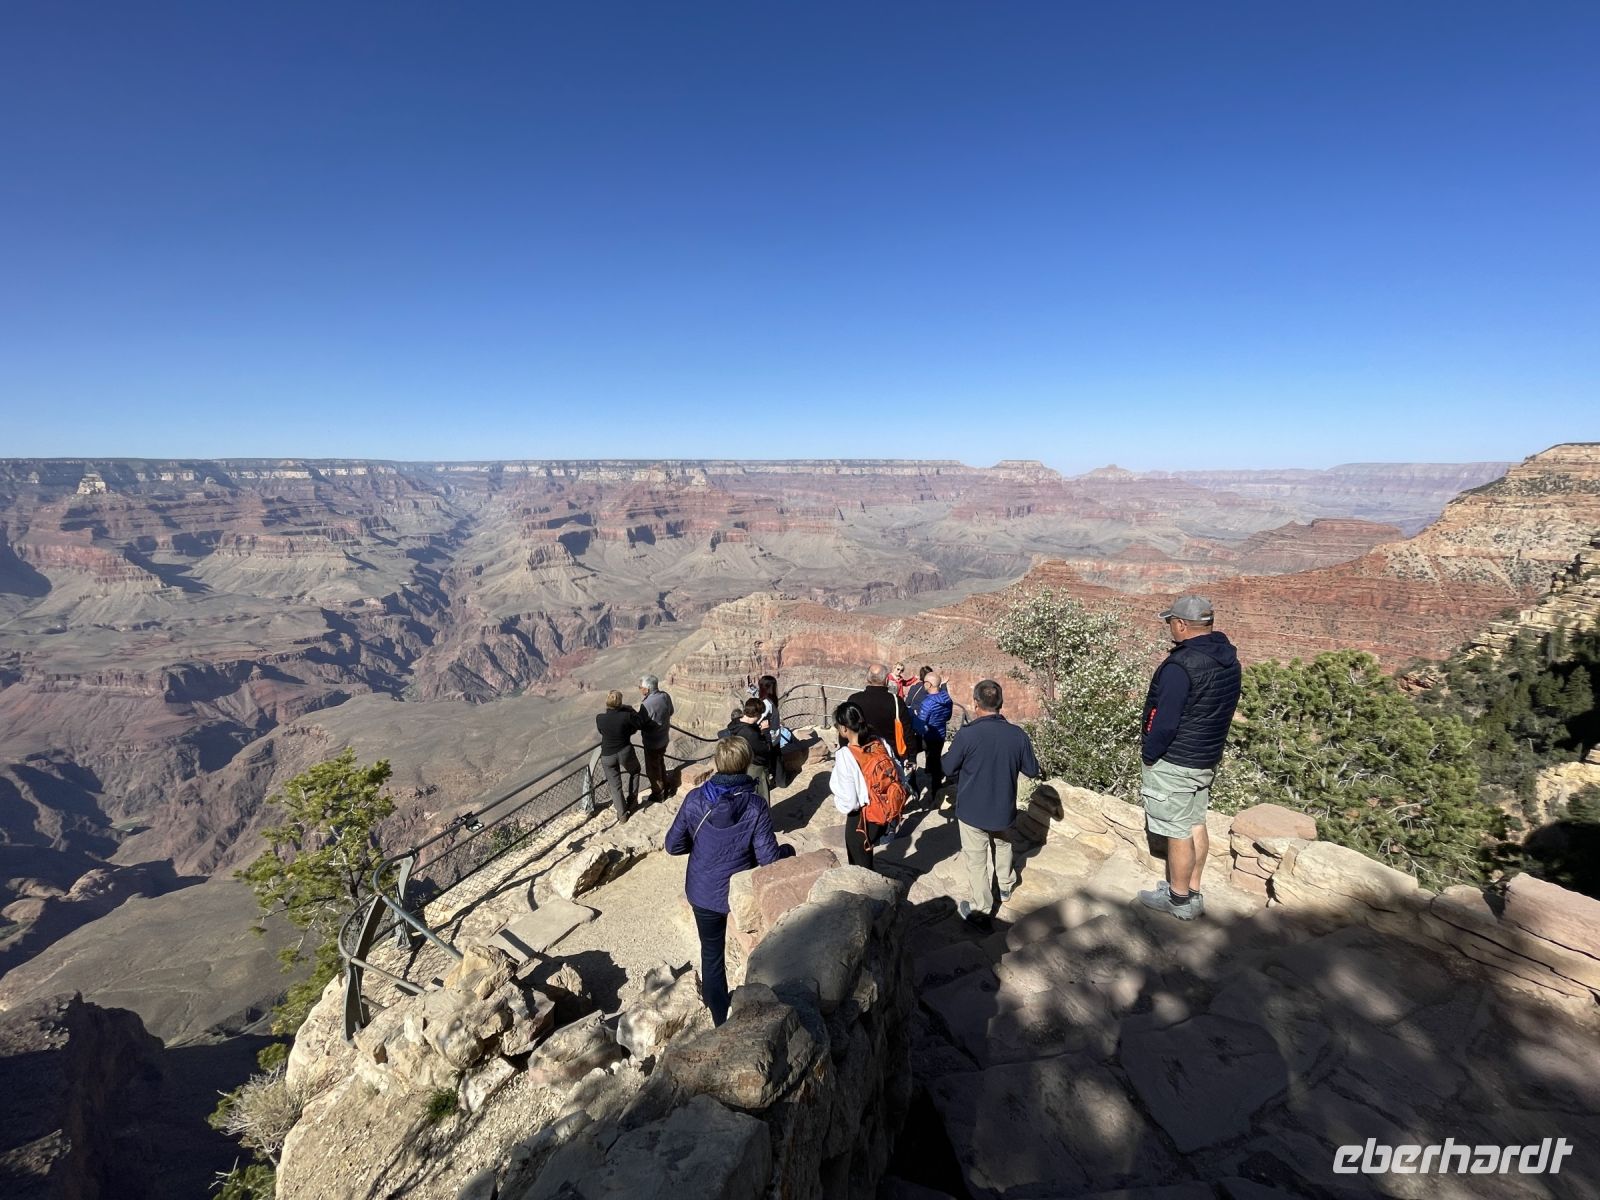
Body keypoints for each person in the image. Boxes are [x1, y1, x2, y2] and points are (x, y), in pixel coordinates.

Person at [665, 736, 789, 1025]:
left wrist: (699, 845)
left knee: (711, 956)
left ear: (717, 764)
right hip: (737, 893)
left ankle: (720, 1019)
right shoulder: (756, 805)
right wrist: (787, 851)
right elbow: (769, 859)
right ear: (746, 763)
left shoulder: (696, 799)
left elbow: (672, 845)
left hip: (703, 891)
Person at [1137, 595, 1242, 921]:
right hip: (1205, 757)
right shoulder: (1228, 659)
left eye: (1171, 622)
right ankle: (1191, 891)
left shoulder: (1180, 667)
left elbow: (1165, 721)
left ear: (1181, 624)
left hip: (1176, 760)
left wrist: (1150, 754)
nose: (1170, 627)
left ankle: (1179, 900)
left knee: (1177, 830)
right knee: (1195, 822)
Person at [941, 679, 1039, 931]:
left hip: (972, 810)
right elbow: (1032, 770)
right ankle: (1005, 886)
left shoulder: (968, 734)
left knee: (976, 860)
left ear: (976, 704)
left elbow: (948, 768)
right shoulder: (1017, 735)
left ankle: (982, 910)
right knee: (1004, 845)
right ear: (1001, 703)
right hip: (1004, 809)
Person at [829, 702, 907, 869]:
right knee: (868, 854)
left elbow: (850, 803)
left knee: (860, 866)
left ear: (844, 728)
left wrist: (838, 800)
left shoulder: (846, 756)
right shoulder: (880, 743)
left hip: (862, 820)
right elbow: (899, 774)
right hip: (884, 811)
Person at [847, 664, 919, 766]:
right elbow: (907, 730)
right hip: (889, 756)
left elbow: (847, 728)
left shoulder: (854, 699)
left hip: (860, 754)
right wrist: (912, 757)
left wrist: (844, 750)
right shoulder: (896, 702)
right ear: (886, 680)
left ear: (867, 679)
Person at [594, 690, 644, 823]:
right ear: (620, 703)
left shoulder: (600, 718)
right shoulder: (626, 716)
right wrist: (631, 710)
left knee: (615, 786)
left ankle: (622, 815)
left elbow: (602, 731)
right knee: (635, 771)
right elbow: (639, 724)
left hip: (607, 756)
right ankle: (632, 802)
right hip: (624, 751)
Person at [721, 699, 775, 801]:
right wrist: (765, 731)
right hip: (755, 768)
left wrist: (757, 728)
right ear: (757, 714)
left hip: (741, 765)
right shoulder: (750, 733)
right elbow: (766, 749)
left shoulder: (735, 723)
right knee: (761, 798)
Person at [916, 670, 954, 801]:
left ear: (928, 684)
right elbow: (948, 717)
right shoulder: (947, 699)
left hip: (928, 736)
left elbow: (921, 723)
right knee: (935, 760)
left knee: (913, 754)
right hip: (940, 734)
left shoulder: (927, 703)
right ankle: (936, 791)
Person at [637, 674, 675, 802]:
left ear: (647, 689)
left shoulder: (646, 704)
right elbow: (671, 711)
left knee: (652, 769)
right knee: (660, 762)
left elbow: (640, 723)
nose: (640, 689)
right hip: (664, 738)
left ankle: (658, 794)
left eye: (640, 687)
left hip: (652, 742)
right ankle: (667, 788)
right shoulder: (665, 696)